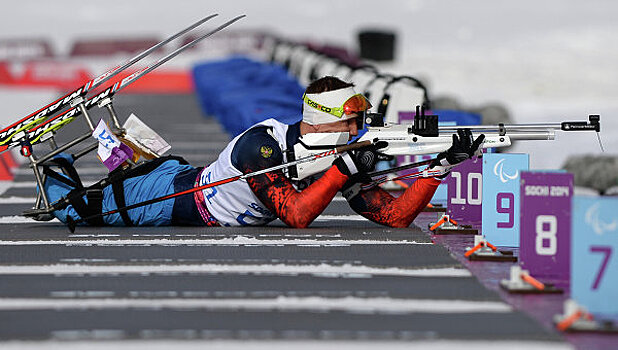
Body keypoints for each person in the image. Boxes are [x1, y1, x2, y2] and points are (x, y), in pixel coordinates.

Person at [44, 76, 483, 228]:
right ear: (317, 121)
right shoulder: (264, 144)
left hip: (185, 184)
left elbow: (394, 215)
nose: (357, 131)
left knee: (97, 192)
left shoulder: (338, 153)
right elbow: (295, 215)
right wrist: (341, 170)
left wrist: (438, 169)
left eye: (359, 122)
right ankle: (49, 156)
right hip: (170, 199)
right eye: (349, 123)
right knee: (73, 211)